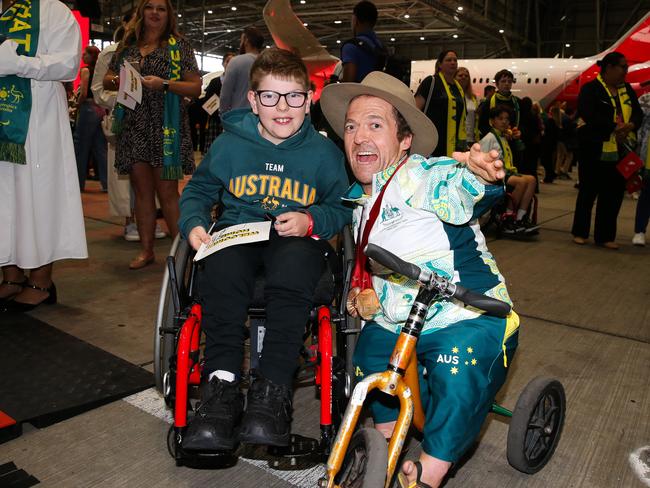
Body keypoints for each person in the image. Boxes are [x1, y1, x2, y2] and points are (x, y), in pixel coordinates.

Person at [320, 71, 519, 488]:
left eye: (375, 125)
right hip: (404, 318)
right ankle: (388, 436)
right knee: (369, 356)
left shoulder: (422, 176)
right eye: (351, 127)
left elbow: (458, 185)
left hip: (466, 313)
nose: (358, 137)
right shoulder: (363, 199)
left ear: (404, 139)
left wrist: (480, 175)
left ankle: (429, 470)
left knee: (456, 370)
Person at [178, 48, 351, 451]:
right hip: (239, 233)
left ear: (309, 101)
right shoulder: (228, 145)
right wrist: (194, 224)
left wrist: (312, 221)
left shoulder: (325, 155)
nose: (282, 107)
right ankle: (220, 389)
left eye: (293, 97)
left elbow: (342, 206)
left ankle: (271, 395)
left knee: (293, 268)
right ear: (254, 101)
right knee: (220, 269)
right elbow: (199, 191)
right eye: (270, 97)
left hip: (295, 240)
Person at [0, 0, 88, 314]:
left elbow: (68, 64)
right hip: (3, 124)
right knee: (5, 201)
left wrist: (18, 63)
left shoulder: (53, 10)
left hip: (39, 122)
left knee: (38, 195)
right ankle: (11, 275)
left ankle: (41, 281)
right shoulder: (2, 12)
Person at [103, 0, 201, 269]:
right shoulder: (127, 45)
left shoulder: (179, 46)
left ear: (168, 14)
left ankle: (186, 256)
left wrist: (165, 84)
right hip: (134, 124)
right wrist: (124, 78)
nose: (155, 13)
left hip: (165, 126)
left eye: (161, 8)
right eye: (150, 7)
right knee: (142, 191)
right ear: (141, 12)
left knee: (168, 192)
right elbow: (107, 79)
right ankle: (146, 251)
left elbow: (195, 88)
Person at [571, 51, 642, 249]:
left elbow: (638, 114)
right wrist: (614, 127)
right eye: (623, 67)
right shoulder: (591, 89)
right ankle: (580, 232)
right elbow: (588, 114)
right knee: (588, 192)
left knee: (613, 195)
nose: (625, 72)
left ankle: (605, 236)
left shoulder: (626, 90)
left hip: (620, 151)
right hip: (594, 149)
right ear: (609, 68)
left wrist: (630, 126)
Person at [480, 106, 539, 234]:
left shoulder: (504, 137)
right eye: (500, 119)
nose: (504, 122)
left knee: (532, 180)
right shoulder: (489, 138)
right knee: (522, 182)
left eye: (507, 119)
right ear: (492, 121)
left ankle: (520, 218)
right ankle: (508, 217)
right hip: (495, 175)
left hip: (507, 172)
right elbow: (482, 160)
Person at [415, 50, 466, 157]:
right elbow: (415, 109)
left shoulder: (459, 88)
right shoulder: (431, 82)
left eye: (455, 60)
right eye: (448, 60)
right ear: (440, 64)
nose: (453, 63)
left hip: (452, 145)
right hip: (431, 143)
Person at [74, 45, 107, 192]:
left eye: (85, 54)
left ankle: (78, 184)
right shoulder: (101, 71)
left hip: (88, 109)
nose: (82, 56)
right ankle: (107, 185)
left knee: (81, 148)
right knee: (100, 149)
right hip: (100, 109)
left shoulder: (85, 70)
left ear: (91, 56)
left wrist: (77, 105)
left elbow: (84, 92)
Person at [219, 26, 263, 115]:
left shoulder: (236, 61)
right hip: (262, 116)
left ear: (246, 41)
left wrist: (223, 113)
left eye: (241, 40)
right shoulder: (266, 62)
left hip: (239, 116)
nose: (240, 44)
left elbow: (225, 94)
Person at [340, 0, 383, 83]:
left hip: (359, 94)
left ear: (355, 20)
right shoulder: (380, 46)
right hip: (377, 93)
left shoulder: (351, 46)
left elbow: (348, 82)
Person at [203, 51, 235, 152]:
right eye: (228, 61)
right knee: (214, 149)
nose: (230, 64)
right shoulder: (214, 81)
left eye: (233, 62)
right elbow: (207, 101)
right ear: (223, 63)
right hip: (216, 120)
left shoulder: (238, 82)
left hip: (232, 120)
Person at [632, 92, 650, 246]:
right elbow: (638, 128)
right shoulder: (645, 100)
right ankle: (639, 231)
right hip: (648, 156)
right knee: (647, 195)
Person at [455, 66, 479, 148]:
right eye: (460, 75)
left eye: (466, 76)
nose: (463, 77)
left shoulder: (473, 98)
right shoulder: (452, 96)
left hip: (471, 139)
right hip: (456, 138)